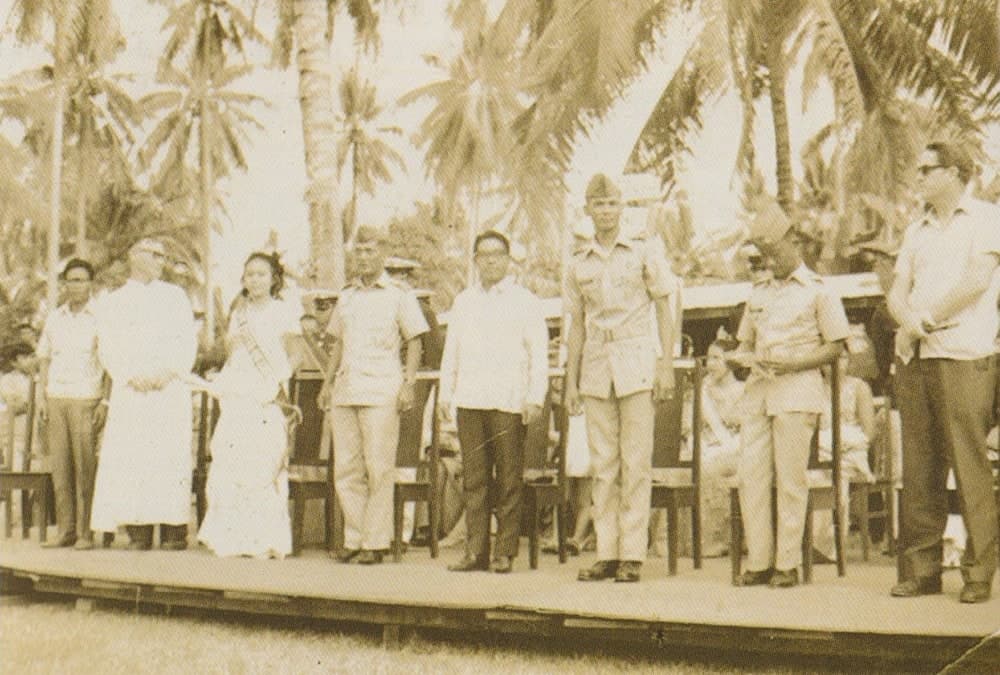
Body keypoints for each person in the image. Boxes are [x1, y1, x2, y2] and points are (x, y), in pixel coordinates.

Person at [888, 141, 1000, 604]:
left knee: (968, 465)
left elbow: (977, 281)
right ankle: (921, 569)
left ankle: (977, 572)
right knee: (918, 467)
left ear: (955, 173)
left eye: (928, 169)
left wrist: (922, 321)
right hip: (919, 358)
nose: (919, 176)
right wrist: (908, 322)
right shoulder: (917, 230)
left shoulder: (986, 219)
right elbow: (897, 290)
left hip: (962, 353)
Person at [730, 202, 850, 589]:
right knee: (752, 476)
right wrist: (741, 361)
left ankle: (787, 563)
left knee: (790, 478)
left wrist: (795, 364)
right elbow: (743, 342)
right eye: (764, 255)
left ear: (793, 243)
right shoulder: (758, 293)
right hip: (759, 393)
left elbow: (836, 346)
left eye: (776, 253)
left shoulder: (818, 291)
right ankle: (760, 560)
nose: (771, 261)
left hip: (797, 392)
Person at [565, 173, 678, 583]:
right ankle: (607, 551)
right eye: (599, 204)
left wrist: (666, 364)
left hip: (636, 358)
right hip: (596, 362)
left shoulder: (643, 251)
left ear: (623, 207)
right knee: (603, 464)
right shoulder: (579, 263)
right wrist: (571, 380)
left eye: (613, 203)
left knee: (635, 460)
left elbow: (665, 309)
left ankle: (633, 552)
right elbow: (575, 324)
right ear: (588, 210)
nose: (607, 211)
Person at [439, 230, 549, 574]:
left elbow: (539, 354)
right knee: (474, 478)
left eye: (498, 254)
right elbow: (451, 351)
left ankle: (504, 552)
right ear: (475, 260)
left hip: (508, 400)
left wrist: (535, 396)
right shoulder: (463, 301)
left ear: (508, 258)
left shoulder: (525, 301)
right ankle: (476, 551)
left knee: (508, 479)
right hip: (471, 399)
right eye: (484, 254)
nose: (491, 260)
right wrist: (446, 393)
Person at [321, 226, 428, 565]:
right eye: (359, 251)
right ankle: (355, 538)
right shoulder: (348, 295)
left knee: (379, 467)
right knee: (347, 468)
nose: (364, 258)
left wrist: (409, 383)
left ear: (382, 254)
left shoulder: (399, 294)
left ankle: (376, 542)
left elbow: (415, 340)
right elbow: (338, 341)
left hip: (382, 387)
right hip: (346, 387)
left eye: (370, 251)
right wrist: (326, 383)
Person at [89, 238, 198, 551]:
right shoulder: (113, 301)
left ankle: (174, 530)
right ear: (134, 257)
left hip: (169, 388)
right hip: (132, 391)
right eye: (155, 256)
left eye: (163, 257)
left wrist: (168, 372)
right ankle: (139, 530)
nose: (161, 262)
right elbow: (107, 346)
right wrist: (131, 375)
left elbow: (186, 341)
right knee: (135, 457)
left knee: (169, 457)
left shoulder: (176, 297)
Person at [197, 253, 301, 559]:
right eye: (249, 275)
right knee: (231, 459)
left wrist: (276, 382)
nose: (254, 280)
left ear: (273, 279)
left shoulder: (284, 312)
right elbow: (233, 356)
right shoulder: (237, 314)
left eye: (261, 274)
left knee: (262, 463)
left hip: (266, 393)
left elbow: (296, 356)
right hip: (238, 393)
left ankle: (264, 539)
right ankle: (230, 537)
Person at [36, 258, 108, 550]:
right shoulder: (55, 318)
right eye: (71, 280)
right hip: (57, 398)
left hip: (87, 398)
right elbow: (44, 357)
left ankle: (85, 532)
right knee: (61, 468)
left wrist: (105, 400)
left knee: (85, 468)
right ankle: (65, 531)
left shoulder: (100, 317)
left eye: (81, 280)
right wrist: (43, 396)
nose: (75, 285)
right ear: (64, 284)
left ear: (91, 284)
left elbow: (109, 364)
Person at [684, 338, 744, 557]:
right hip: (705, 446)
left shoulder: (743, 390)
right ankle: (681, 543)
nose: (711, 363)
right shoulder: (702, 391)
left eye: (717, 358)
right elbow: (689, 425)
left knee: (708, 470)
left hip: (735, 448)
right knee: (681, 470)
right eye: (709, 358)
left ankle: (714, 542)